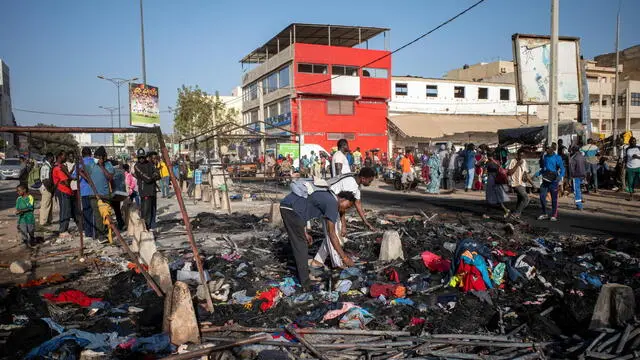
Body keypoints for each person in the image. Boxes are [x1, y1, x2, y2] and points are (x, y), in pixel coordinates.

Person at [280, 189, 357, 288]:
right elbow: (332, 234)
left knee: (300, 242)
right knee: (301, 247)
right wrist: (345, 258)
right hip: (291, 209)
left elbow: (304, 206)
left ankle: (304, 276)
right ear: (343, 199)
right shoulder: (333, 204)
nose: (345, 210)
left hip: (288, 206)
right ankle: (305, 283)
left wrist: (304, 232)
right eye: (348, 206)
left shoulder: (328, 197)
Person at [91, 146, 118, 233]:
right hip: (94, 194)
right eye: (96, 157)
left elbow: (110, 177)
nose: (97, 159)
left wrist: (101, 166)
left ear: (103, 157)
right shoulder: (91, 165)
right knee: (98, 215)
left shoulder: (108, 165)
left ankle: (108, 232)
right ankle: (101, 234)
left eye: (99, 157)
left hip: (105, 194)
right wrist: (88, 180)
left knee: (106, 214)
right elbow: (81, 171)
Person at [536, 144, 565, 221]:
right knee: (542, 197)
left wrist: (560, 177)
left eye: (548, 148)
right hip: (545, 180)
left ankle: (554, 215)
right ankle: (544, 213)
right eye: (546, 148)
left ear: (553, 149)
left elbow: (562, 169)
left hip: (553, 181)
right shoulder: (545, 157)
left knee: (554, 199)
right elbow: (543, 169)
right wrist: (536, 174)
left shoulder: (557, 158)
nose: (547, 150)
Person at [135, 149, 160, 230]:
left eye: (143, 157)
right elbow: (147, 179)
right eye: (140, 158)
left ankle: (152, 227)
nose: (141, 159)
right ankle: (146, 228)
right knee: (146, 211)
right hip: (144, 191)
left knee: (153, 210)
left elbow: (158, 175)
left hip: (152, 191)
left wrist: (153, 176)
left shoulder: (150, 164)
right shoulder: (137, 166)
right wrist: (153, 176)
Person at [52, 151, 74, 237]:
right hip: (63, 191)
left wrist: (70, 172)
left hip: (63, 191)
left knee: (64, 210)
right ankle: (63, 230)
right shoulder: (59, 168)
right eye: (65, 156)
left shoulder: (60, 167)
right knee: (66, 210)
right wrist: (70, 177)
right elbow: (66, 182)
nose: (66, 157)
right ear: (60, 156)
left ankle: (63, 229)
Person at [77, 147, 97, 239]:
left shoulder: (80, 163)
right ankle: (95, 232)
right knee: (94, 211)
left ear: (82, 154)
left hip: (84, 191)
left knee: (86, 211)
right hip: (94, 190)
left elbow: (74, 175)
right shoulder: (94, 162)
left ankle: (88, 232)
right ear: (90, 153)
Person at [507, 148, 531, 218]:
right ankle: (516, 213)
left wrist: (532, 184)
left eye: (522, 156)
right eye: (520, 155)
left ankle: (517, 215)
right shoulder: (513, 161)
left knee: (520, 200)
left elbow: (526, 173)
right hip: (516, 183)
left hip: (522, 184)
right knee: (526, 199)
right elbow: (509, 173)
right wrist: (517, 164)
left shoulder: (524, 161)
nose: (521, 157)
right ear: (517, 155)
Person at [485, 152, 510, 217]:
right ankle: (505, 210)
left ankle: (489, 213)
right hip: (496, 180)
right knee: (496, 197)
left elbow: (485, 170)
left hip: (492, 180)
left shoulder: (489, 163)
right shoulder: (497, 162)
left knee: (490, 196)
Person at [16, 184, 36, 248]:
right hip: (22, 218)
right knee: (23, 231)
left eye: (19, 191)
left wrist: (22, 211)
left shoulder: (30, 197)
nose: (18, 192)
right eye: (17, 191)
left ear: (24, 190)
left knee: (30, 230)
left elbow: (30, 207)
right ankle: (25, 243)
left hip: (29, 218)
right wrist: (18, 213)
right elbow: (17, 208)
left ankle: (32, 239)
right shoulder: (18, 199)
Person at [39, 152, 55, 226]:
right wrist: (50, 189)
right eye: (53, 158)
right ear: (51, 158)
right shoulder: (45, 167)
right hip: (46, 188)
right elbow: (44, 179)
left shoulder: (48, 166)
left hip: (48, 188)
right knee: (45, 205)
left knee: (49, 205)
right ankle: (43, 222)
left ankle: (48, 220)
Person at [569, 146, 586, 210]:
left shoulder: (573, 158)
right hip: (582, 175)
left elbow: (571, 168)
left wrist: (570, 177)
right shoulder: (583, 156)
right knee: (579, 189)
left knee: (576, 190)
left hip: (576, 175)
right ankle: (580, 201)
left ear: (573, 151)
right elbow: (586, 165)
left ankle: (579, 205)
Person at [624, 137, 640, 201]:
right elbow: (625, 157)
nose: (634, 142)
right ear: (629, 142)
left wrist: (637, 157)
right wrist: (624, 164)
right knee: (630, 182)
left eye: (635, 141)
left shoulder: (639, 148)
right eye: (632, 141)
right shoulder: (627, 149)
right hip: (630, 167)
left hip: (638, 167)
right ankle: (631, 196)